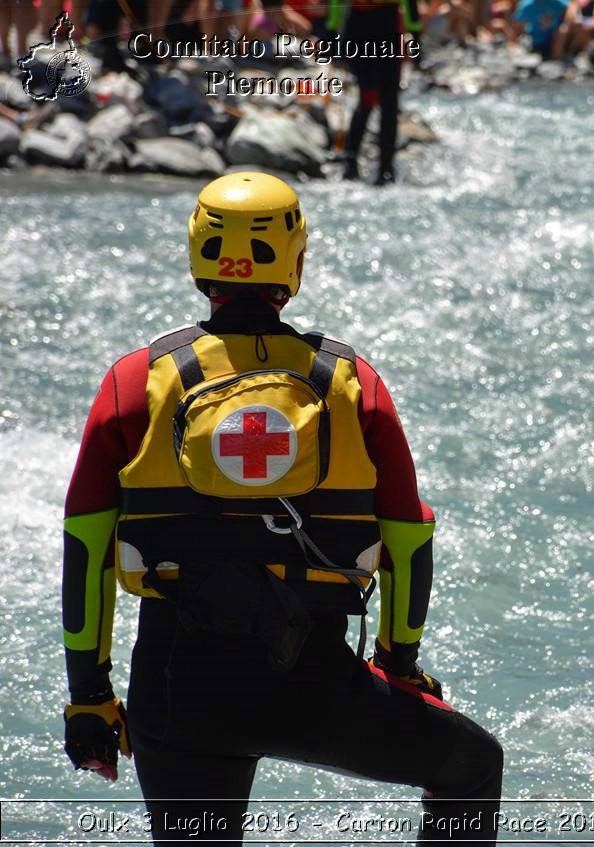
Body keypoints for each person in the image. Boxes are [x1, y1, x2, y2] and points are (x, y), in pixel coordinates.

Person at [61, 172, 504, 843]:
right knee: (473, 765)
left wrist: (88, 696)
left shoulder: (133, 380)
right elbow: (410, 537)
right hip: (313, 682)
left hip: (177, 689)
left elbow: (86, 545)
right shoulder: (351, 382)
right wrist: (399, 662)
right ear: (293, 260)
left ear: (198, 254)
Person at [328, 0, 420, 186]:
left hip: (363, 24)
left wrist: (333, 32)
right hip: (382, 23)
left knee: (370, 98)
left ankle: (357, 163)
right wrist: (416, 36)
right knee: (384, 101)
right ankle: (382, 168)